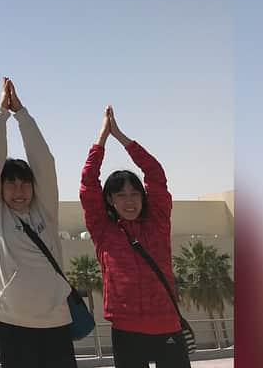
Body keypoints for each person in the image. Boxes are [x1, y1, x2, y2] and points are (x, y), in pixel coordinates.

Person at [80, 105, 191, 368]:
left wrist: (121, 136)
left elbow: (155, 174)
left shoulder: (158, 224)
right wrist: (101, 139)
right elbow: (88, 184)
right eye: (121, 195)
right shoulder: (103, 230)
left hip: (167, 325)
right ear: (110, 200)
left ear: (143, 197)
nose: (129, 201)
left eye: (134, 194)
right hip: (126, 330)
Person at [0, 77, 75, 368]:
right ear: (0, 187)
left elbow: (44, 161)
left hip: (56, 321)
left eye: (25, 184)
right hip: (11, 322)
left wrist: (22, 115)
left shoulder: (46, 212)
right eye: (11, 184)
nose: (19, 192)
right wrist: (0, 114)